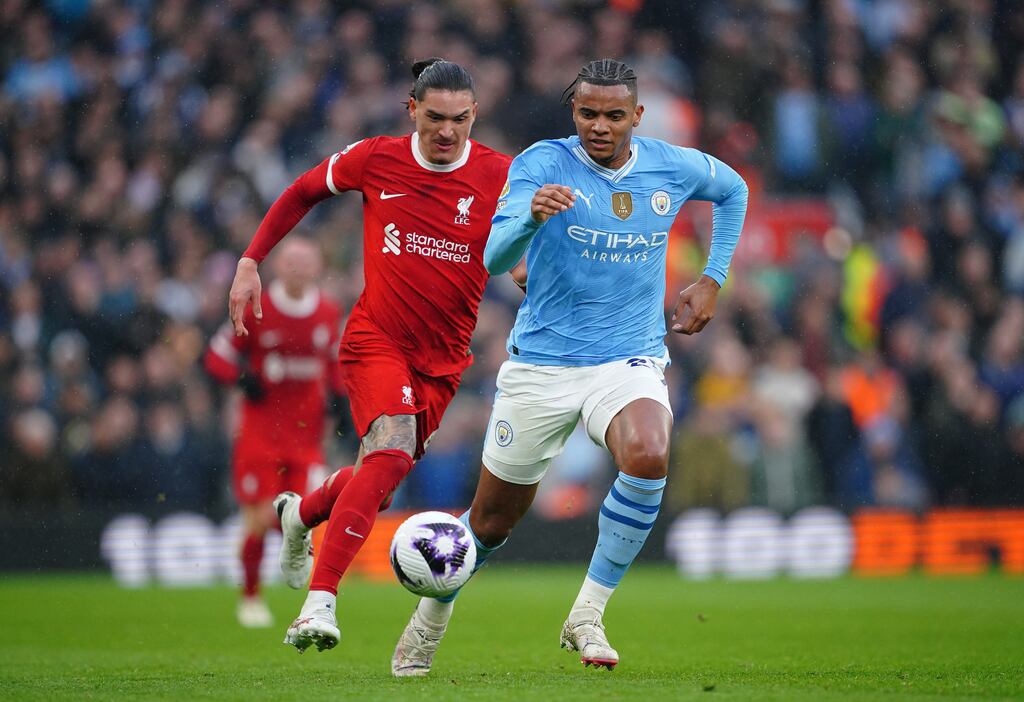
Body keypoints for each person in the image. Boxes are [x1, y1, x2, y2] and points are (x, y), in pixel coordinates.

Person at [390, 58, 748, 676]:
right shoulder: (541, 165)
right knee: (491, 523)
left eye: (614, 115)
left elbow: (733, 189)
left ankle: (587, 612)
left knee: (648, 451)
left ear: (636, 116)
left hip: (627, 358)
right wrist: (530, 216)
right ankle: (431, 617)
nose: (600, 126)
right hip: (543, 365)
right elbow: (494, 255)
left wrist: (713, 277)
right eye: (588, 113)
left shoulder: (670, 164)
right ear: (573, 112)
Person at [225, 58, 512, 652]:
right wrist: (251, 260)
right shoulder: (377, 157)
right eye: (434, 117)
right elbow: (302, 190)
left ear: (474, 115)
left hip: (444, 361)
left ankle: (301, 515)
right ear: (412, 109)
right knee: (390, 453)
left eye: (459, 120)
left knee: (379, 483)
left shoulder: (501, 174)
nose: (446, 132)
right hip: (375, 340)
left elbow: (520, 248)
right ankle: (318, 605)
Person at [204, 236, 342, 627]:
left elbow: (334, 365)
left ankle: (309, 592)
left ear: (317, 267)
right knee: (259, 518)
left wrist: (341, 402)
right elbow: (216, 357)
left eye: (305, 261)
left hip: (306, 436)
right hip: (259, 434)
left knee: (306, 516)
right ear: (278, 267)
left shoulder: (327, 312)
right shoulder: (255, 307)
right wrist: (242, 378)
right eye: (291, 261)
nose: (298, 268)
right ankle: (250, 598)